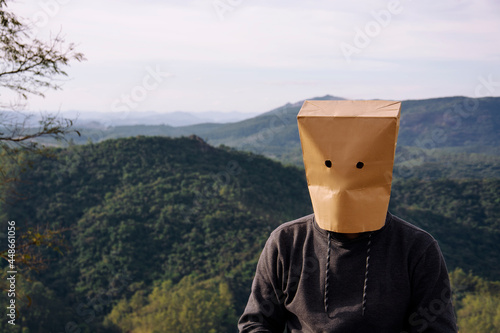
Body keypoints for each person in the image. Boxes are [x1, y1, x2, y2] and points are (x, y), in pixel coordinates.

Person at [238, 100, 457, 332]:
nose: (345, 184)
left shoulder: (417, 248)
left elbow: (437, 329)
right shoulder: (286, 242)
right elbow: (256, 322)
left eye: (359, 166)